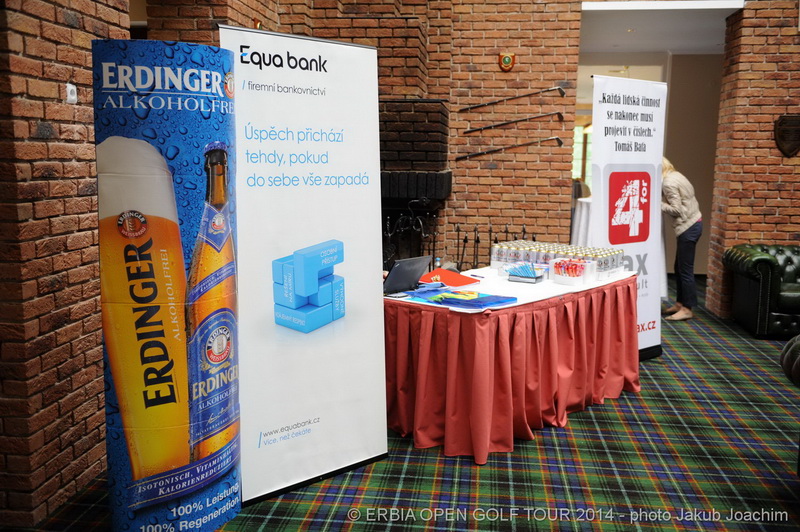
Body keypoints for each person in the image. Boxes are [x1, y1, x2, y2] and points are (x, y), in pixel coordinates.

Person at [661, 157, 702, 321]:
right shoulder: (676, 175)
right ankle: (680, 304)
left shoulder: (668, 182)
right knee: (679, 268)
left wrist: (657, 203)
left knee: (685, 270)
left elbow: (676, 209)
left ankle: (687, 309)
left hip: (688, 227)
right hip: (694, 223)